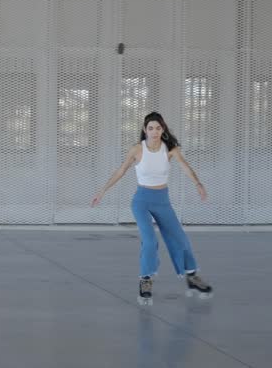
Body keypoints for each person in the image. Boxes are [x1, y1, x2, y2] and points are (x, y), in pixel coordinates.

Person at [91, 111, 213, 303]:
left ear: (162, 129)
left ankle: (192, 276)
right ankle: (145, 280)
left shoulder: (170, 149)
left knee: (181, 240)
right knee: (149, 242)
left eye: (158, 128)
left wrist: (198, 183)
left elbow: (186, 167)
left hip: (163, 201)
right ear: (144, 130)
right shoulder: (137, 150)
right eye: (150, 128)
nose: (154, 132)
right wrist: (102, 191)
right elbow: (121, 171)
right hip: (142, 201)